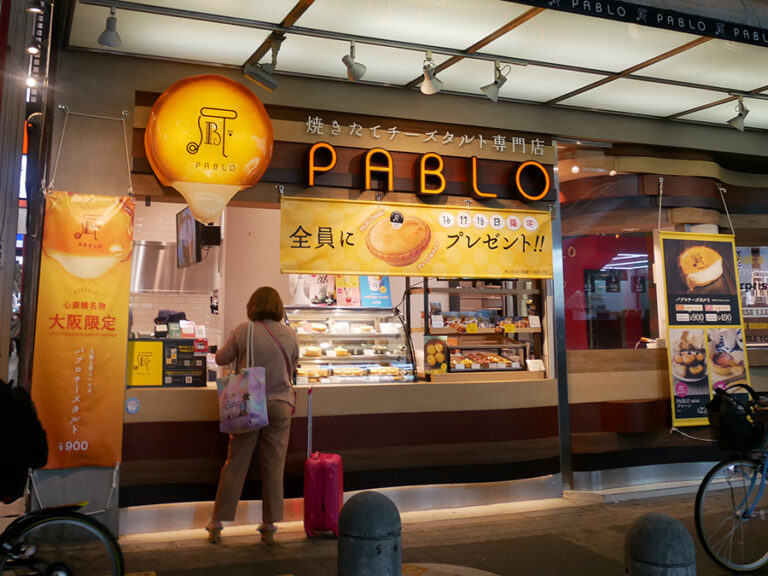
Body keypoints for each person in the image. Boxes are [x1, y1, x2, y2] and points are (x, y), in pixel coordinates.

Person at [206, 286, 298, 545]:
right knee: (274, 465)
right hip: (280, 403)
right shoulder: (291, 334)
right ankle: (269, 525)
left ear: (252, 306)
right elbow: (293, 366)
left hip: (249, 401)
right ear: (278, 307)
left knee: (235, 463)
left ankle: (217, 523)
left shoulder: (243, 330)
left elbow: (221, 358)